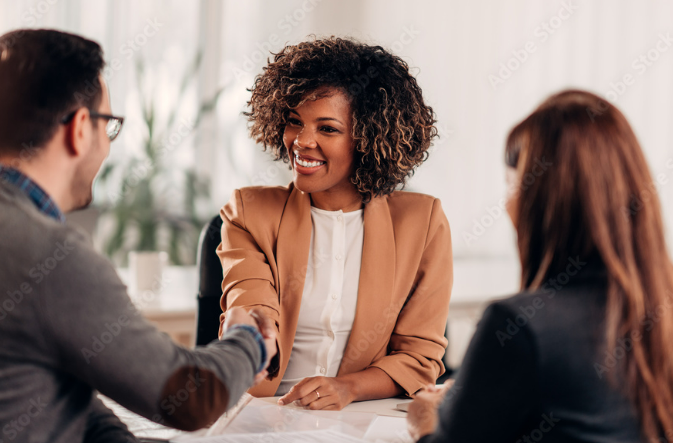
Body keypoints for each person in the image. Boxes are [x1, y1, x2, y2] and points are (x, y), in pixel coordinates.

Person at [0, 29, 276, 443]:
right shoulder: (50, 257)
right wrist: (248, 339)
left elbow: (49, 385)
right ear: (79, 128)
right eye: (108, 126)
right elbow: (190, 398)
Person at [407, 90, 673, 442]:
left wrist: (427, 422)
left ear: (542, 199)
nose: (507, 204)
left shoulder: (519, 326)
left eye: (513, 184)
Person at [216, 37, 453, 410]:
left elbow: (419, 357)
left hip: (361, 417)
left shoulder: (421, 223)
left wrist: (348, 388)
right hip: (265, 413)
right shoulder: (249, 212)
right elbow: (251, 297)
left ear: (369, 138)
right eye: (295, 122)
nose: (302, 141)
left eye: (327, 129)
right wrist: (248, 324)